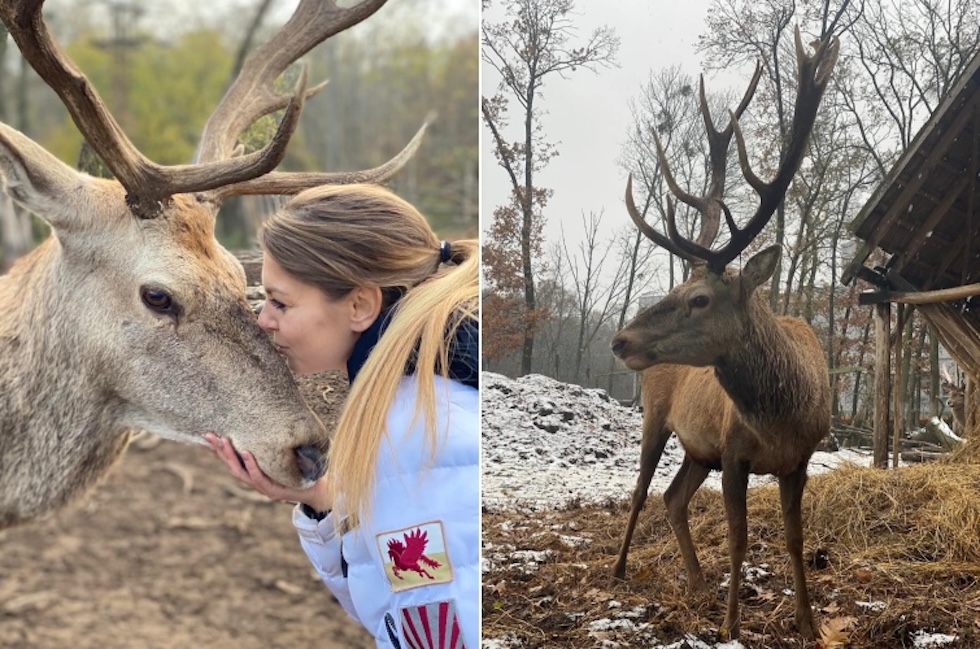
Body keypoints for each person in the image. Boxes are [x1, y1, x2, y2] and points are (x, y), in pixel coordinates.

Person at [205, 183, 479, 648]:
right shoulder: (424, 400)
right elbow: (399, 612)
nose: (263, 321)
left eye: (280, 302)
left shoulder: (414, 435)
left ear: (360, 306)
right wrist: (325, 502)